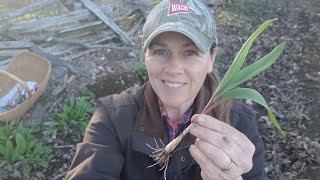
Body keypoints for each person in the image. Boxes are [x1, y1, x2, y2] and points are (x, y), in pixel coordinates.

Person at [66, 0, 268, 179]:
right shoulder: (112, 117)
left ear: (211, 59)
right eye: (160, 51)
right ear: (145, 57)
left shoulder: (239, 123)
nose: (173, 69)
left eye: (190, 52)